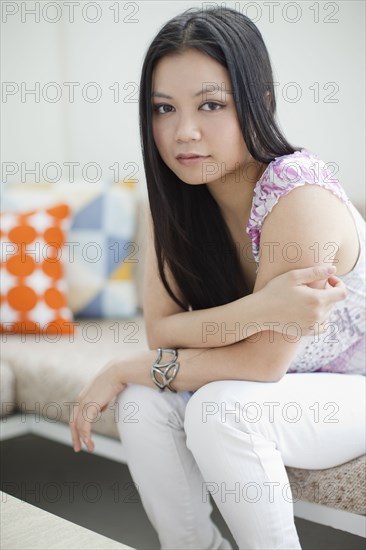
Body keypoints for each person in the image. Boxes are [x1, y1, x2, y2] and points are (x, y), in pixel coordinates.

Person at [69, 7, 365, 549]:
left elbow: (258, 362)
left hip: (356, 387)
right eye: (164, 108)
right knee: (142, 403)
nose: (184, 132)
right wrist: (259, 309)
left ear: (261, 103)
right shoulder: (173, 199)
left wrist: (124, 366)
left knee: (219, 410)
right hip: (291, 382)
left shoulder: (300, 196)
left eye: (211, 105)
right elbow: (162, 329)